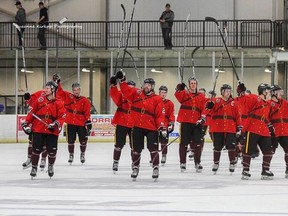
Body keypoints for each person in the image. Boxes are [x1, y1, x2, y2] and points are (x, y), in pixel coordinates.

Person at [115, 71, 166, 181]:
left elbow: (160, 115)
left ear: (152, 87)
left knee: (153, 148)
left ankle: (156, 167)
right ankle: (135, 167)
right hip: (137, 126)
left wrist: (161, 127)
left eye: (149, 85)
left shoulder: (157, 99)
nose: (146, 86)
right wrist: (122, 80)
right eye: (145, 84)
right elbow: (126, 90)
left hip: (151, 128)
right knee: (136, 149)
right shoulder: (136, 93)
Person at [21, 81, 66, 179]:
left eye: (47, 88)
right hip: (38, 129)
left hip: (52, 130)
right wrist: (26, 123)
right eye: (45, 88)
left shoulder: (59, 102)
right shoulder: (40, 100)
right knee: (36, 150)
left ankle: (50, 166)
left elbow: (62, 116)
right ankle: (34, 168)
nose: (45, 90)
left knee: (52, 151)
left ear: (53, 89)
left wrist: (55, 124)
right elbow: (32, 112)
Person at [237, 83, 274, 180]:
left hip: (264, 130)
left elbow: (266, 117)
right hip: (252, 128)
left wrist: (270, 126)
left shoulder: (268, 104)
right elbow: (242, 99)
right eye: (268, 90)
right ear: (264, 91)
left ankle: (265, 170)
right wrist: (241, 91)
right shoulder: (254, 98)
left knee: (268, 151)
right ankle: (245, 170)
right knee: (248, 151)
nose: (269, 92)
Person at [206, 84, 242, 174]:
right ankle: (216, 163)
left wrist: (239, 126)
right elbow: (207, 110)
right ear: (222, 92)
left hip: (230, 127)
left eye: (230, 91)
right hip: (218, 128)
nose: (228, 93)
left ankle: (232, 162)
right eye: (227, 91)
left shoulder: (234, 102)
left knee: (231, 145)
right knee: (217, 146)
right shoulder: (215, 101)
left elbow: (237, 116)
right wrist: (209, 106)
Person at [174, 77, 207, 173]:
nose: (193, 85)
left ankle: (197, 162)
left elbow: (205, 107)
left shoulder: (200, 96)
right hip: (185, 122)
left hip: (196, 123)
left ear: (197, 85)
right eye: (191, 83)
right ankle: (183, 162)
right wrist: (179, 88)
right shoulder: (185, 94)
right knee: (184, 143)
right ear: (189, 85)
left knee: (198, 143)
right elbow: (178, 95)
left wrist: (202, 117)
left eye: (194, 83)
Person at [57, 81, 91, 165]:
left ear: (80, 90)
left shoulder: (84, 100)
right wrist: (57, 83)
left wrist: (88, 121)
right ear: (72, 90)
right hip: (70, 122)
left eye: (77, 89)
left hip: (81, 123)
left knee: (83, 140)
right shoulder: (68, 96)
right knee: (70, 141)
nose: (76, 91)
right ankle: (71, 155)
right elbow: (60, 92)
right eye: (75, 90)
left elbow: (87, 112)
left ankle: (82, 154)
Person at [109, 79, 135, 173]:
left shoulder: (137, 96)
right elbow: (114, 95)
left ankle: (134, 163)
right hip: (122, 122)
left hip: (134, 123)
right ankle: (115, 162)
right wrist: (113, 86)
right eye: (128, 87)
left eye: (132, 88)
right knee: (119, 145)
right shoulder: (121, 96)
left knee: (134, 146)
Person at [269, 85, 288, 178]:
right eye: (279, 91)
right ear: (274, 93)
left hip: (285, 131)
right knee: (270, 151)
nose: (281, 93)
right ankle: (266, 168)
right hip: (274, 131)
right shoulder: (268, 103)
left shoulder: (285, 103)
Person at [158, 85, 175, 165]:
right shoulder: (155, 101)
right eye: (162, 92)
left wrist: (171, 124)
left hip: (165, 124)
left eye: (165, 92)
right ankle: (155, 156)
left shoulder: (170, 103)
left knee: (164, 142)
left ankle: (164, 156)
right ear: (159, 93)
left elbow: (171, 114)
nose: (163, 94)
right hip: (156, 124)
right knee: (154, 141)